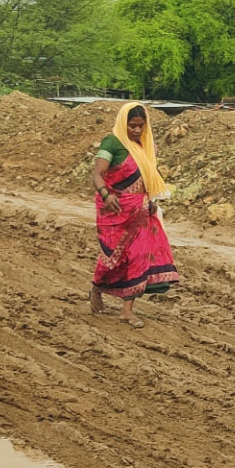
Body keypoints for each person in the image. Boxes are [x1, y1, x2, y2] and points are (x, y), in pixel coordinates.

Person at [88, 102, 180, 328]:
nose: (137, 130)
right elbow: (97, 174)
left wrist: (152, 201)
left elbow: (148, 178)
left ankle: (127, 311)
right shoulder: (112, 143)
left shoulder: (145, 146)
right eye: (132, 126)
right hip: (116, 210)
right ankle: (97, 288)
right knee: (113, 259)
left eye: (141, 126)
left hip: (141, 211)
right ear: (123, 123)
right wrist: (106, 196)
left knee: (139, 256)